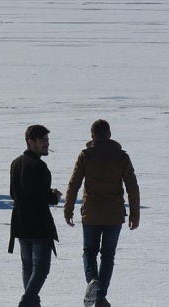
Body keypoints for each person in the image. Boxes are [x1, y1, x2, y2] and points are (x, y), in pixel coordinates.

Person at [64, 119, 140, 307]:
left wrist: (68, 208)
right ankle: (100, 296)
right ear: (109, 134)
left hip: (91, 213)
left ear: (92, 136)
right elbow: (132, 187)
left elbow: (74, 184)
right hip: (114, 215)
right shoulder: (122, 157)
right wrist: (134, 214)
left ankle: (92, 282)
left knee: (89, 252)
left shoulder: (86, 155)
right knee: (108, 255)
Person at [8, 125, 62, 307]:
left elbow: (13, 194)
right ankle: (25, 303)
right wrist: (54, 197)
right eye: (42, 141)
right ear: (31, 142)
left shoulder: (15, 163)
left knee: (28, 268)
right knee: (40, 269)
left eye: (47, 140)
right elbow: (43, 197)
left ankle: (32, 304)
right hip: (38, 224)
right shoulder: (39, 166)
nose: (46, 144)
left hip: (21, 223)